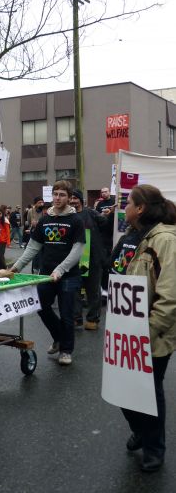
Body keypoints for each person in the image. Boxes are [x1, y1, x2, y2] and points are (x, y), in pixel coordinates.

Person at [110, 184, 176, 472]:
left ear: (141, 209)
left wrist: (147, 333)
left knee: (148, 389)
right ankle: (140, 430)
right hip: (129, 332)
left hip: (153, 333)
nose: (123, 207)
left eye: (128, 203)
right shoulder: (135, 237)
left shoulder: (165, 240)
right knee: (124, 387)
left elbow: (170, 295)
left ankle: (154, 447)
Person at [10, 181, 85, 366]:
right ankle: (59, 338)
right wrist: (16, 267)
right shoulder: (45, 219)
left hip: (68, 275)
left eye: (62, 195)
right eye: (55, 194)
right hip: (45, 274)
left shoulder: (76, 220)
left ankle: (66, 351)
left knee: (67, 314)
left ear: (69, 197)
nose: (58, 198)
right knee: (41, 305)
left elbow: (78, 250)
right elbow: (33, 247)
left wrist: (60, 269)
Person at [70, 189, 113, 330]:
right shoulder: (67, 215)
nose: (72, 201)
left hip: (92, 257)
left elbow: (104, 223)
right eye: (70, 198)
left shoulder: (91, 213)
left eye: (75, 198)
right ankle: (76, 318)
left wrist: (109, 214)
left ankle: (92, 318)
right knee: (74, 289)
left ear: (81, 200)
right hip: (74, 258)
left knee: (93, 290)